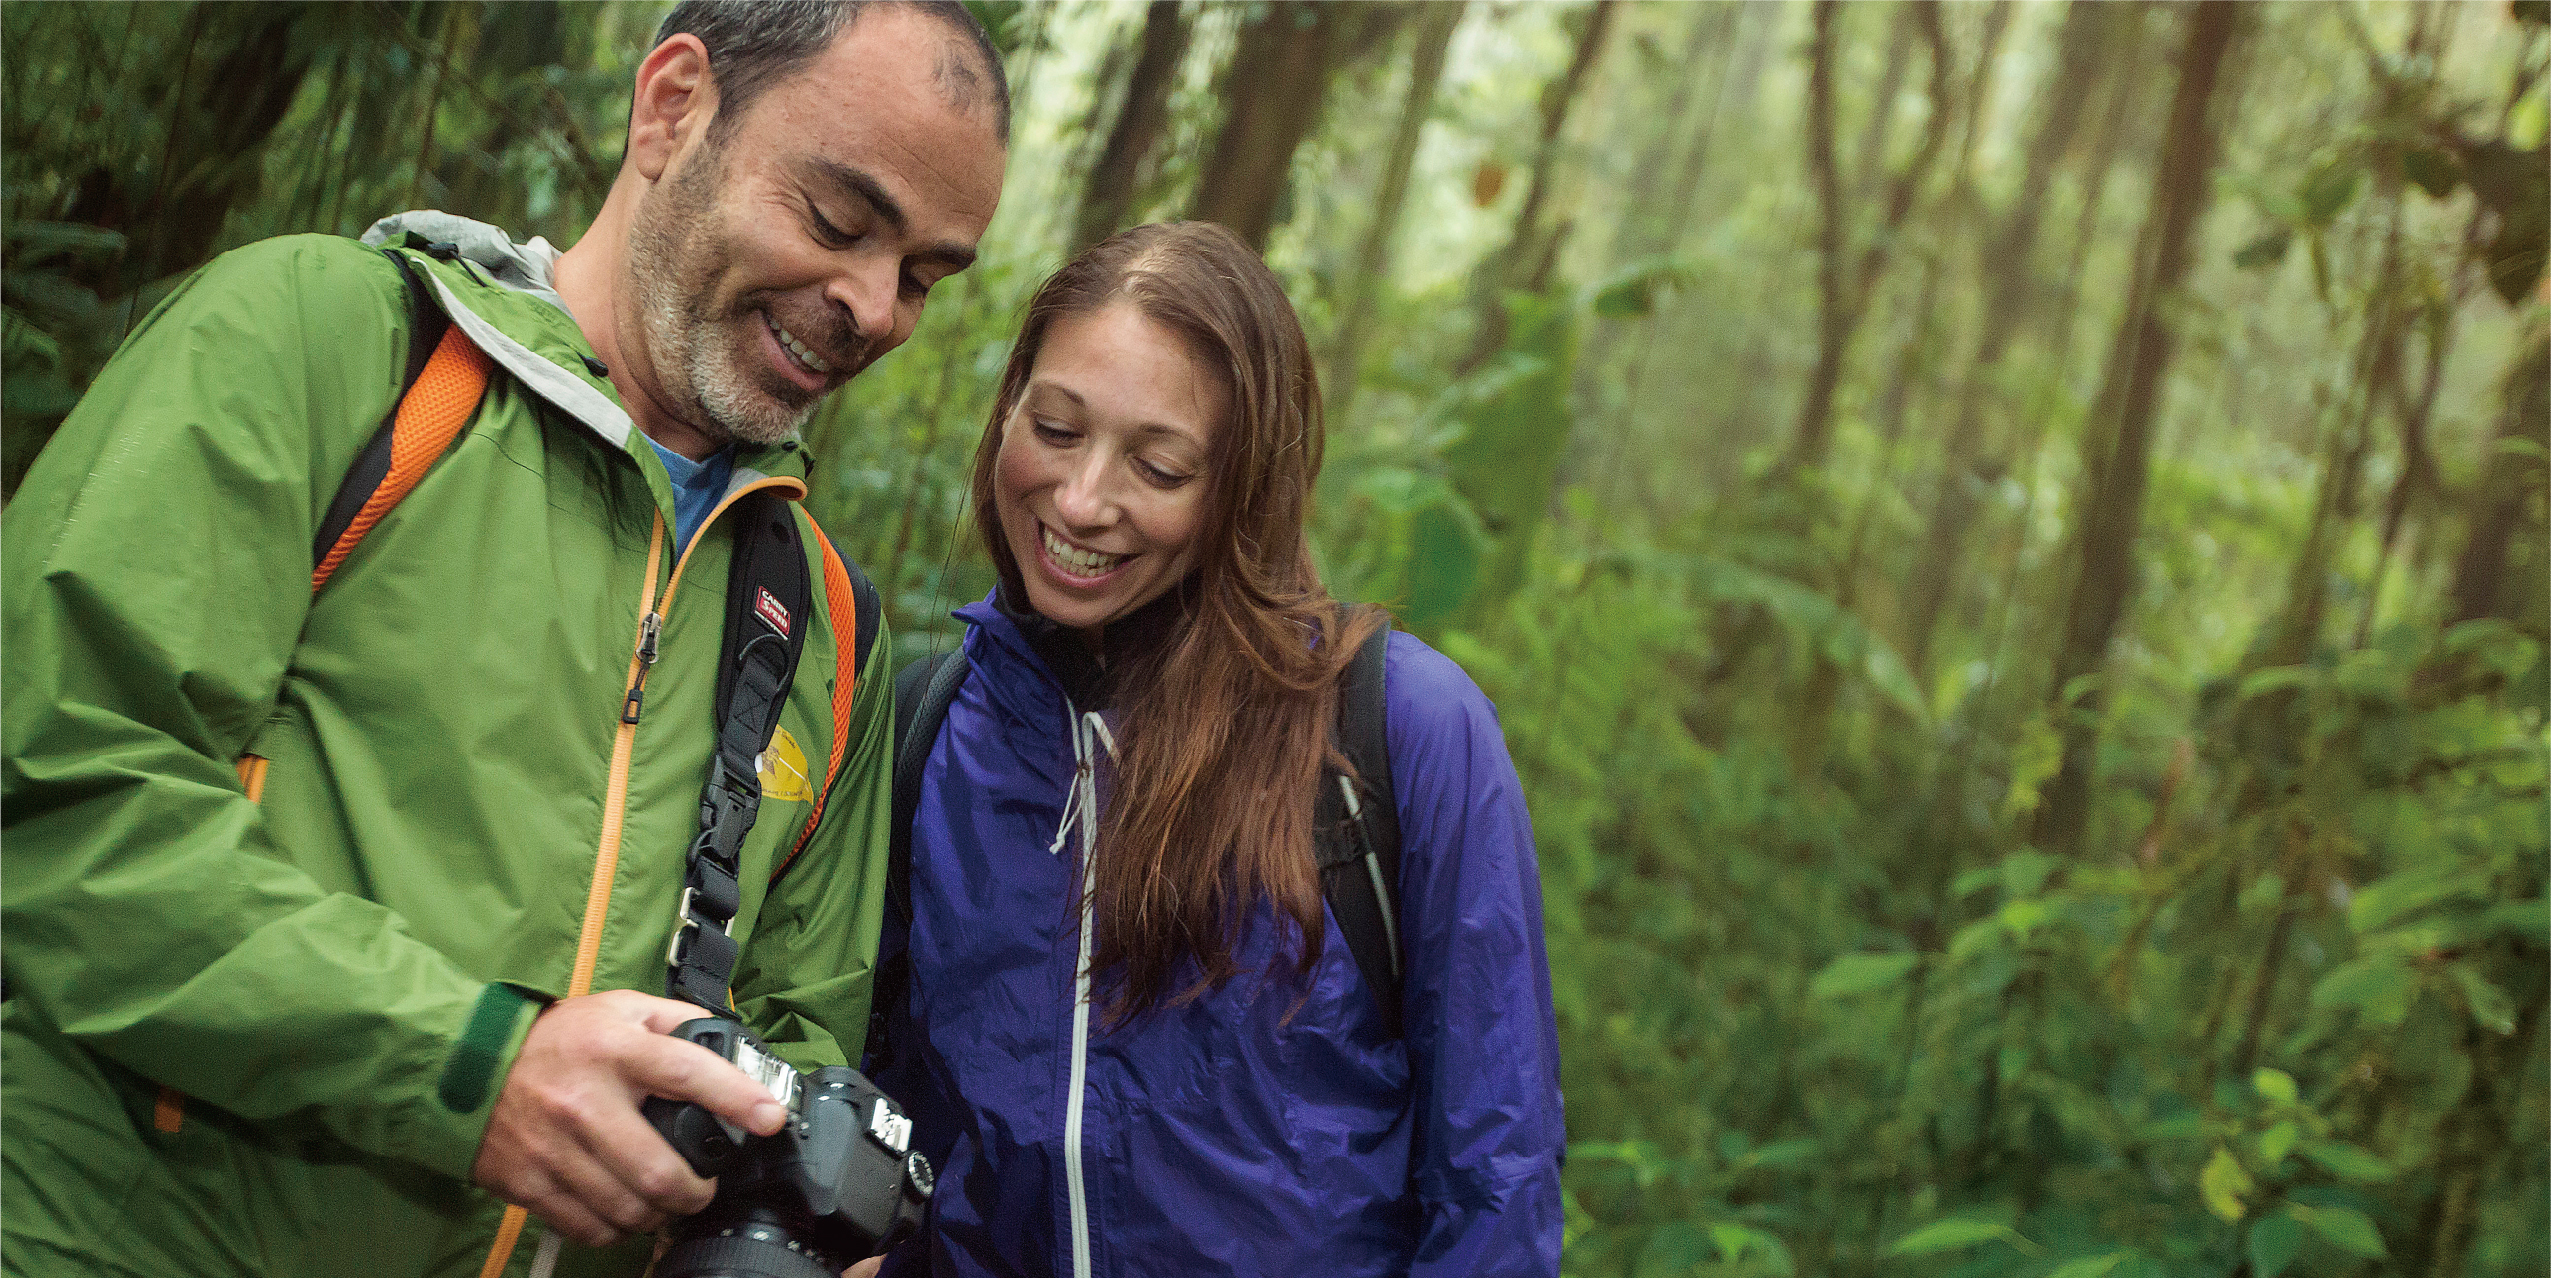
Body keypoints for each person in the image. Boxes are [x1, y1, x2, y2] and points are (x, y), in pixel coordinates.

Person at [0, 4, 1006, 1276]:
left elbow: (794, 1024)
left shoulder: (820, 618)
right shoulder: (326, 347)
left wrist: (798, 1194)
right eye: (837, 220)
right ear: (673, 107)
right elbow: (64, 787)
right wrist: (474, 1066)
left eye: (921, 277)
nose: (871, 307)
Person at [866, 222, 1565, 1278]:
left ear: (1244, 488)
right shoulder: (931, 725)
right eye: (1054, 428)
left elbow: (1495, 1178)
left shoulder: (1398, 729)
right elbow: (887, 1116)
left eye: (1158, 466)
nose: (1081, 500)